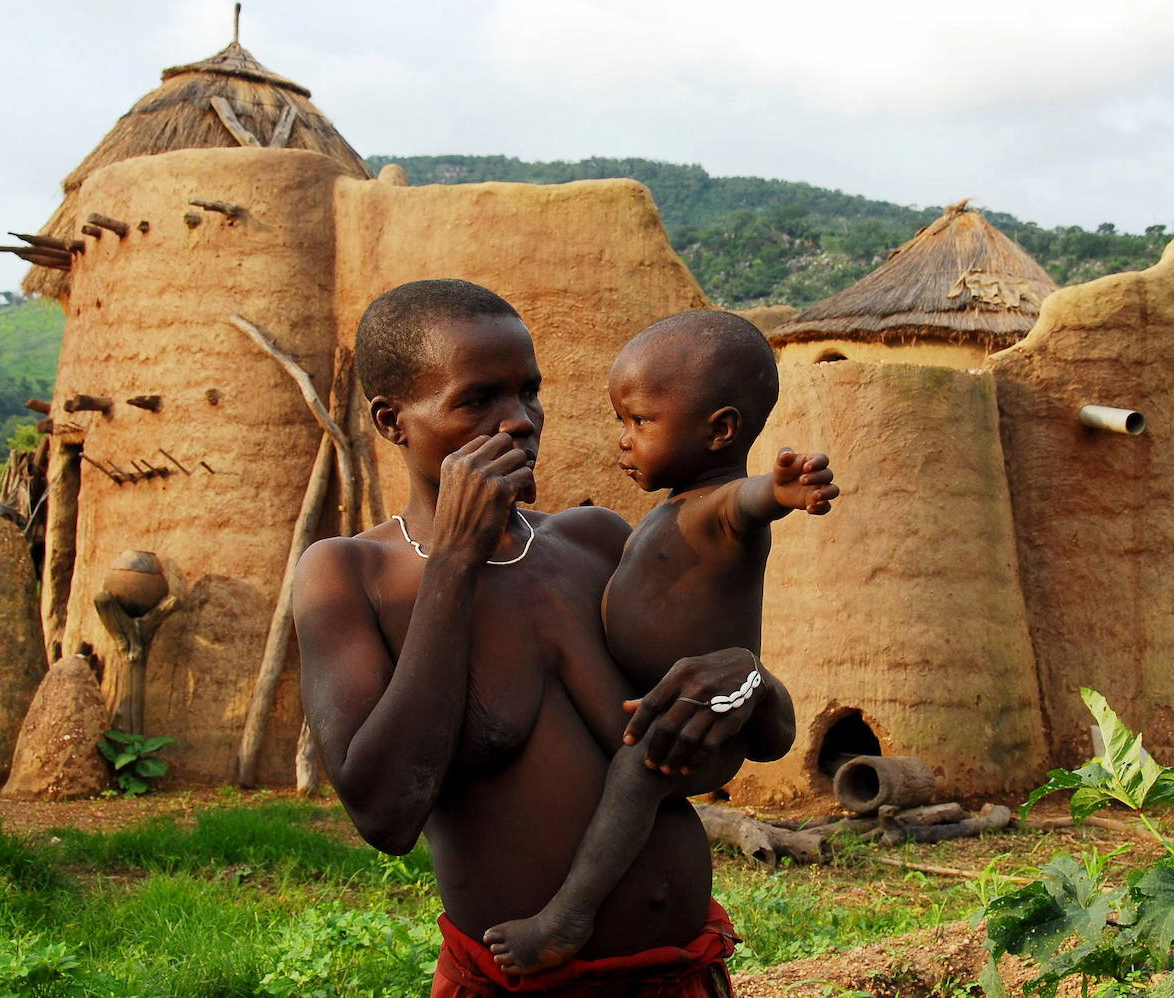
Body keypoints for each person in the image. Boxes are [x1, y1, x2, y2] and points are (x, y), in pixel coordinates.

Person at [293, 280, 797, 998]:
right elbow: (386, 815)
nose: (520, 420)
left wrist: (746, 679)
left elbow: (734, 749)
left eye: (529, 392)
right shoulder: (350, 576)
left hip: (683, 975)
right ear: (392, 421)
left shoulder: (597, 543)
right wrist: (454, 561)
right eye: (477, 400)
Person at [483, 310, 838, 974]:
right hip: (664, 707)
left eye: (640, 422)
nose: (624, 440)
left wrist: (780, 490)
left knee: (634, 774)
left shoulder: (720, 508)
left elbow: (749, 501)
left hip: (701, 723)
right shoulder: (671, 508)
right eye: (621, 421)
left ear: (720, 430)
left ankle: (568, 915)